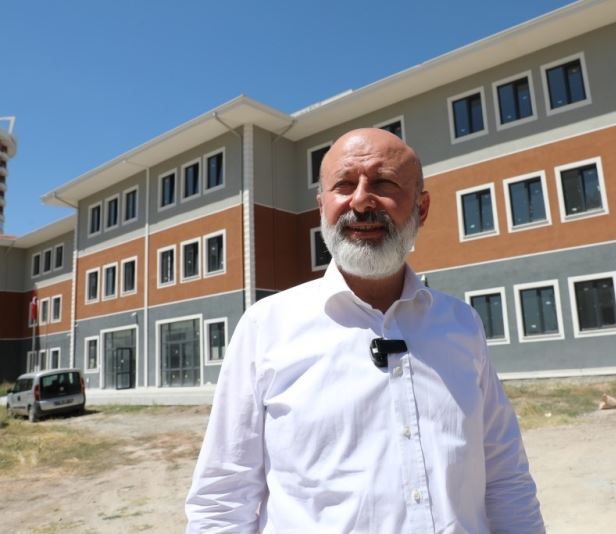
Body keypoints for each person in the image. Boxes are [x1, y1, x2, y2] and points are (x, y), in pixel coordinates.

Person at [185, 128, 546, 533]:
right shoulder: (265, 328)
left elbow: (505, 476)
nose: (360, 201)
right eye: (343, 185)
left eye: (384, 183)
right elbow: (222, 499)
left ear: (422, 208)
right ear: (322, 207)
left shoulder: (462, 325)